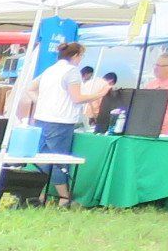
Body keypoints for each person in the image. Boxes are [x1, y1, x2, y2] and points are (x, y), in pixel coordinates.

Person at [26, 41, 107, 203]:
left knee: (43, 158)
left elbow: (30, 88)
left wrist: (42, 102)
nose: (81, 59)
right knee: (60, 159)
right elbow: (77, 98)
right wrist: (99, 95)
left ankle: (41, 195)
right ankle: (64, 197)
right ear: (76, 56)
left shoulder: (50, 70)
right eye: (81, 55)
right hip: (61, 121)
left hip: (42, 118)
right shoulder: (72, 72)